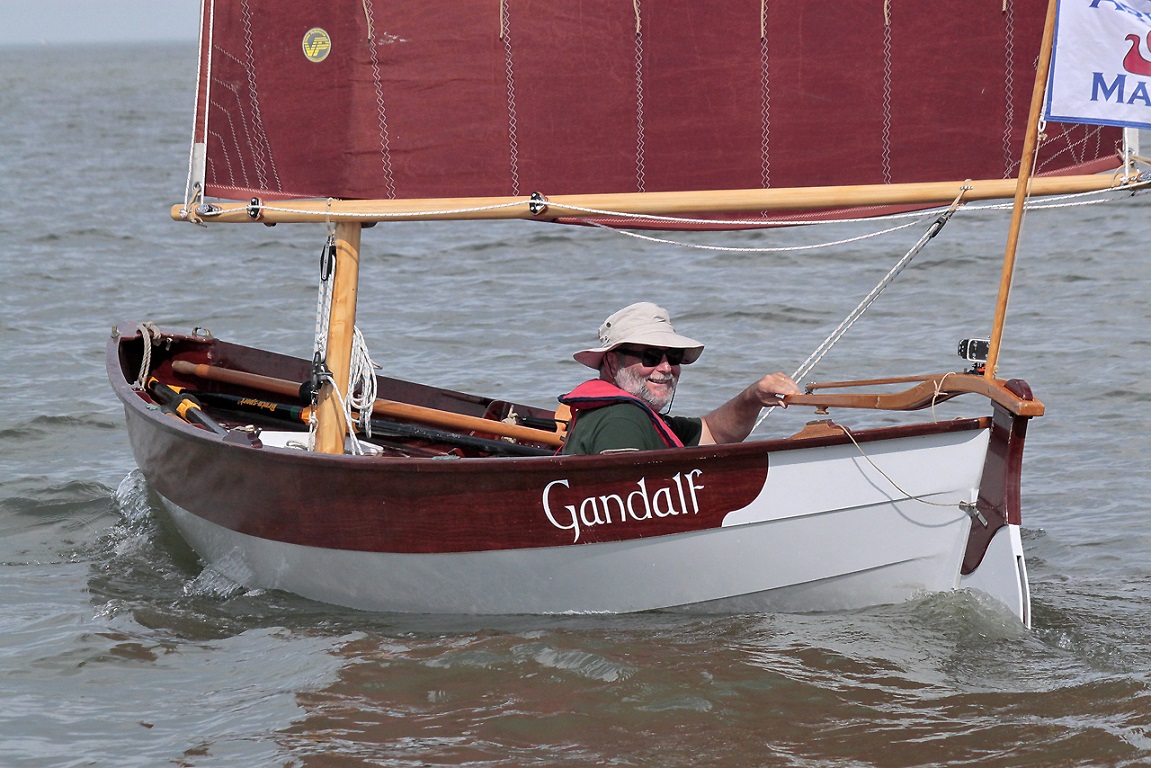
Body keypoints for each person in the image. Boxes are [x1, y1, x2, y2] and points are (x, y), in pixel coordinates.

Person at [559, 302, 802, 455]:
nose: (666, 367)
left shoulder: (639, 416)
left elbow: (713, 434)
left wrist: (753, 397)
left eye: (674, 356)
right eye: (651, 356)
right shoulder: (622, 418)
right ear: (612, 362)